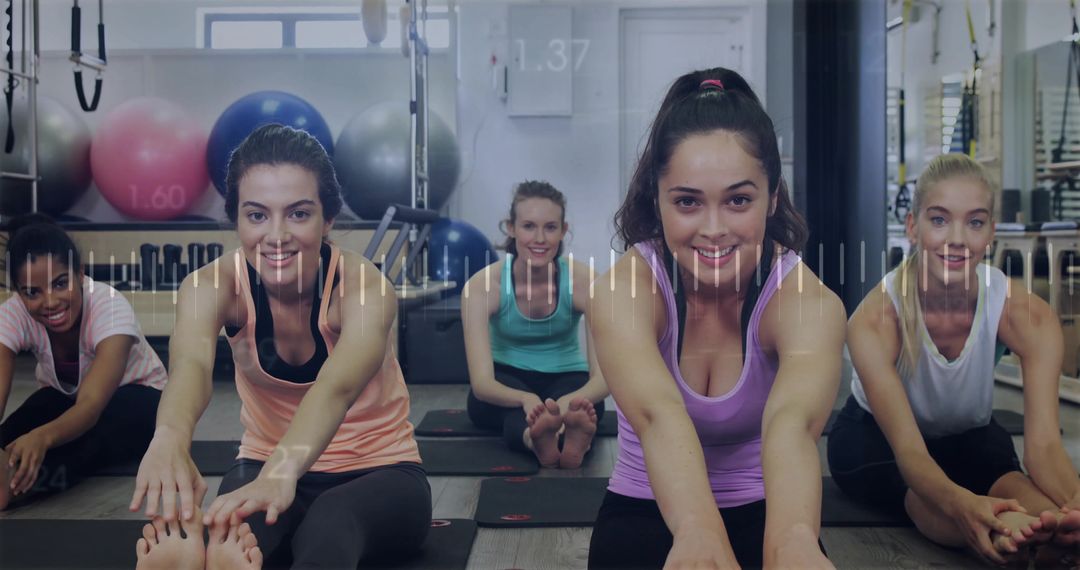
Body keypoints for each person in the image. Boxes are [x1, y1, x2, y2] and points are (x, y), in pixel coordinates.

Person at [129, 124, 431, 570]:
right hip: (261, 463)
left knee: (330, 522)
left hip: (380, 470)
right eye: (256, 216)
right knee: (230, 535)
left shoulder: (365, 288)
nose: (276, 235)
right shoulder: (212, 286)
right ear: (236, 220)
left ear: (328, 219)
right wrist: (169, 436)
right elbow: (190, 363)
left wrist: (282, 471)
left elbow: (335, 389)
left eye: (298, 214)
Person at [586, 68, 845, 569]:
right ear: (657, 199)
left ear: (772, 197)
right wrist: (697, 533)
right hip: (645, 501)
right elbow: (658, 415)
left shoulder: (808, 303)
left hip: (765, 504)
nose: (713, 229)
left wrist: (794, 541)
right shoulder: (623, 291)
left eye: (738, 200)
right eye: (687, 202)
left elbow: (792, 426)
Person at [828, 153, 1080, 566]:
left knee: (1018, 486)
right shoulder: (875, 320)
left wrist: (1074, 505)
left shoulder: (1027, 316)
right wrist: (968, 509)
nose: (957, 238)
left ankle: (1049, 533)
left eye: (975, 222)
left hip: (970, 435)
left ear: (991, 232)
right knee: (923, 497)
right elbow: (913, 455)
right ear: (913, 226)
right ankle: (1006, 536)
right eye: (940, 220)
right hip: (879, 443)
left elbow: (1045, 448)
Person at [0, 213, 166, 509]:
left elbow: (89, 407)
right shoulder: (13, 313)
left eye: (60, 283)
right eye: (32, 292)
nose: (50, 301)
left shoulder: (109, 306)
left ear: (79, 274)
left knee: (88, 440)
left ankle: (16, 487)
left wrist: (41, 437)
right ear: (18, 292)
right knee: (24, 420)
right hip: (67, 398)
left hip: (140, 398)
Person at [462, 180, 608, 469]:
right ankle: (538, 438)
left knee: (586, 407)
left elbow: (603, 379)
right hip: (506, 379)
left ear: (563, 230)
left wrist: (570, 402)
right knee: (498, 409)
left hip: (567, 376)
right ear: (511, 228)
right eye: (529, 226)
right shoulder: (482, 287)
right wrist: (525, 399)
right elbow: (481, 384)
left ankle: (569, 434)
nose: (540, 238)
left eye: (550, 227)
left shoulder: (587, 283)